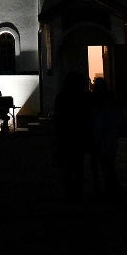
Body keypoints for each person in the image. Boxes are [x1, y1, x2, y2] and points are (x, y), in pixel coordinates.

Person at [53, 69, 93, 202]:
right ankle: (78, 193)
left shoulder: (61, 96)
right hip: (78, 136)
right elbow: (88, 117)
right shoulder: (84, 97)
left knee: (68, 167)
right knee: (78, 166)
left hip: (66, 136)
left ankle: (69, 193)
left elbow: (58, 118)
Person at [91, 77, 123, 205]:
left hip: (99, 135)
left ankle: (102, 188)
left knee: (99, 165)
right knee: (108, 165)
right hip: (109, 137)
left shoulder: (94, 100)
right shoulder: (110, 101)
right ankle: (110, 188)